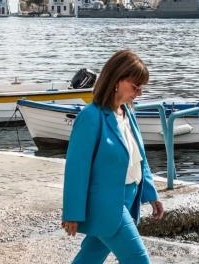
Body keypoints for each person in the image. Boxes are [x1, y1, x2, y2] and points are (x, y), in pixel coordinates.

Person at [61, 50, 165, 264]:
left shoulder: (127, 113)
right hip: (106, 205)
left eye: (141, 87)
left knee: (89, 259)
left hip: (129, 198)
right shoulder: (91, 116)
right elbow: (77, 169)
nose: (139, 93)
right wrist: (72, 212)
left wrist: (151, 193)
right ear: (117, 80)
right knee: (139, 260)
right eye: (135, 86)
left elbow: (139, 158)